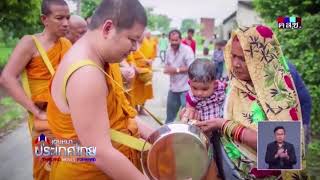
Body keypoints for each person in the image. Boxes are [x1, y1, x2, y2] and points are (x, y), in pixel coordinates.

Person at [182, 25, 308, 179]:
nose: (235, 63)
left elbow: (283, 149)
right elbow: (208, 102)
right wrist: (190, 111)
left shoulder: (278, 93)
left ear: (261, 57)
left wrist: (224, 125)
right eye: (233, 55)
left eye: (243, 58)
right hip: (226, 168)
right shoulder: (234, 84)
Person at [46, 0, 153, 179]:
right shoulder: (86, 73)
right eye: (132, 40)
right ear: (108, 28)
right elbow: (99, 152)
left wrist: (161, 137)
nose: (135, 48)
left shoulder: (101, 59)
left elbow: (123, 117)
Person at [0, 0, 71, 179]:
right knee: (45, 166)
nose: (66, 23)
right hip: (44, 119)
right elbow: (7, 78)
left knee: (74, 161)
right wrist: (35, 112)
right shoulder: (30, 43)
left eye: (68, 18)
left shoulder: (67, 44)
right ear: (44, 19)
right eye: (59, 18)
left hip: (67, 118)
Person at [164, 29, 194, 124]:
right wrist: (171, 69)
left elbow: (191, 67)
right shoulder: (168, 50)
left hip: (185, 89)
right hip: (173, 89)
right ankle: (167, 136)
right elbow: (166, 68)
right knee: (169, 118)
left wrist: (176, 70)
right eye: (172, 40)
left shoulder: (187, 50)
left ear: (180, 40)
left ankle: (185, 137)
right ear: (169, 40)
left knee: (186, 118)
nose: (174, 42)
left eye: (176, 40)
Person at [127, 31, 156, 114]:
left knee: (145, 90)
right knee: (135, 91)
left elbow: (153, 55)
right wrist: (135, 68)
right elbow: (130, 58)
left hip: (145, 71)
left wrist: (150, 60)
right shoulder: (131, 43)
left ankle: (142, 109)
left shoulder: (149, 43)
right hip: (135, 70)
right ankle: (135, 107)